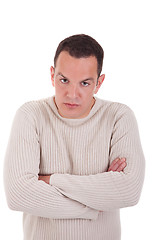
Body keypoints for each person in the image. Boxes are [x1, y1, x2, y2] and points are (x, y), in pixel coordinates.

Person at [3, 34, 145, 240]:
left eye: (85, 83)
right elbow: (18, 195)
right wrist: (93, 206)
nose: (72, 94)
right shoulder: (30, 115)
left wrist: (49, 180)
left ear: (99, 82)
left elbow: (129, 191)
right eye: (64, 80)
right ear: (52, 75)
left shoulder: (119, 117)